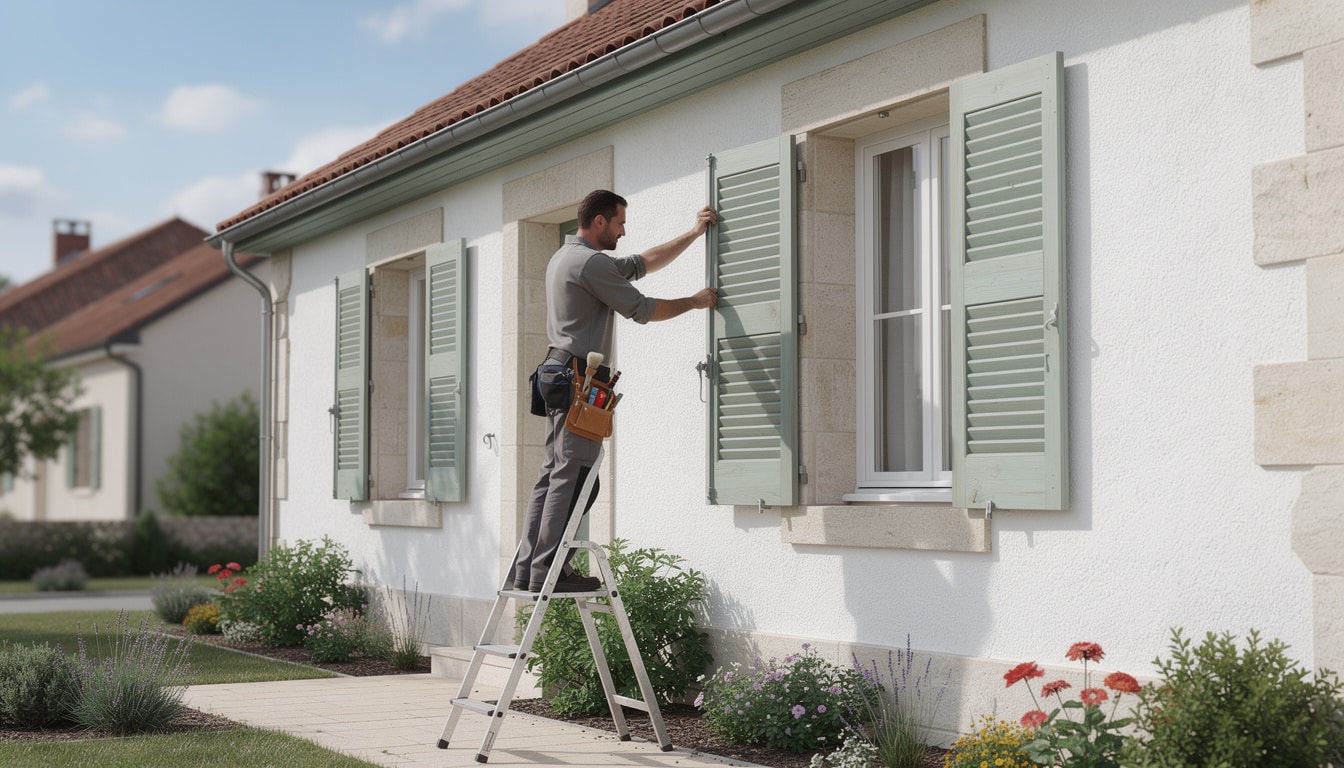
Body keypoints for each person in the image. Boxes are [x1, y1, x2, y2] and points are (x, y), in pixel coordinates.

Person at [510, 189, 717, 592]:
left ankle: (529, 570)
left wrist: (692, 234)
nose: (624, 231)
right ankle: (550, 573)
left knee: (553, 472)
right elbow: (641, 309)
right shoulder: (590, 265)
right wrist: (694, 302)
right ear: (599, 222)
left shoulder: (565, 257)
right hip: (579, 380)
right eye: (620, 223)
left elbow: (642, 263)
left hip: (556, 373)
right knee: (575, 474)